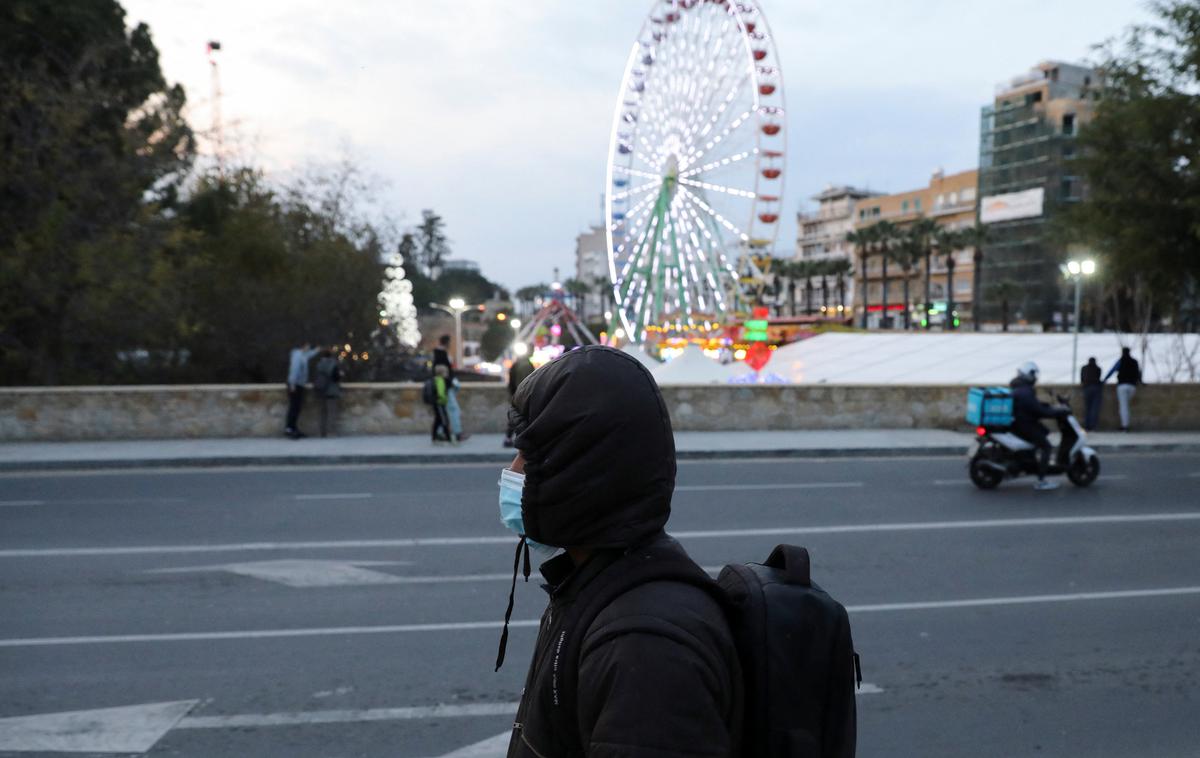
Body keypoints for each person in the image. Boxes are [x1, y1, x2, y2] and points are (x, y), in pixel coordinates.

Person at [496, 345, 741, 757]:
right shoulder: (597, 582)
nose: (513, 470)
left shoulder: (645, 644)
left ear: (578, 470)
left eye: (530, 454)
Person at [1010, 360, 1063, 491]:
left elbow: (1034, 405)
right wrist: (1054, 412)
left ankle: (1032, 463)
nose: (1035, 378)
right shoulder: (1026, 391)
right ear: (1029, 375)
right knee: (1046, 446)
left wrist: (1048, 407)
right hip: (1025, 424)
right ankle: (1041, 481)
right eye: (1033, 375)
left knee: (1043, 432)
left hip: (1021, 423)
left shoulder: (1020, 388)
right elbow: (1037, 409)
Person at [285, 342, 320, 439]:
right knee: (294, 407)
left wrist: (316, 351)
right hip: (295, 385)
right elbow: (294, 370)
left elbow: (309, 355)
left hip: (299, 384)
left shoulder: (303, 355)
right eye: (308, 346)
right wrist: (292, 384)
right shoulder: (297, 356)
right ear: (303, 346)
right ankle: (289, 429)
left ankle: (293, 428)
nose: (309, 348)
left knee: (297, 407)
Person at [1103, 346, 1142, 432]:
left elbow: (1112, 370)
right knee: (1126, 406)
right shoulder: (1134, 361)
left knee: (1123, 407)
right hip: (1132, 386)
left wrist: (1104, 380)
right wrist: (1141, 382)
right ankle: (1126, 425)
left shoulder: (1121, 361)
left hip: (1122, 385)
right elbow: (1138, 373)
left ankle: (1125, 426)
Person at [502, 354, 535, 447]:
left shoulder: (517, 364)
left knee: (516, 417)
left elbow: (512, 382)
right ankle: (512, 438)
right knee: (523, 417)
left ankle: (509, 438)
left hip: (518, 395)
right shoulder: (526, 364)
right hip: (523, 395)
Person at [313, 348, 342, 438]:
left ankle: (321, 432)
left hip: (321, 390)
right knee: (331, 413)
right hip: (331, 391)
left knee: (322, 413)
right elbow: (336, 377)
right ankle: (331, 432)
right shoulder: (333, 364)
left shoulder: (319, 364)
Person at [430, 364, 452, 443]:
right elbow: (441, 393)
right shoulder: (440, 380)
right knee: (444, 420)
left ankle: (434, 437)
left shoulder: (435, 379)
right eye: (446, 372)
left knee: (438, 420)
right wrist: (445, 399)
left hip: (436, 403)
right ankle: (448, 437)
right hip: (440, 403)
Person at [1080, 356, 1103, 431]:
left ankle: (1087, 426)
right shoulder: (1098, 368)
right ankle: (1093, 426)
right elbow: (1099, 377)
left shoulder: (1084, 368)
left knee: (1087, 408)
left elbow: (1082, 379)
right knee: (1094, 408)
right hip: (1096, 388)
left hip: (1087, 388)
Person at [446, 373, 470, 443]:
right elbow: (457, 386)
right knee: (454, 418)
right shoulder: (450, 380)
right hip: (450, 403)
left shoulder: (441, 380)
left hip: (447, 402)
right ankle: (457, 435)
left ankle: (454, 434)